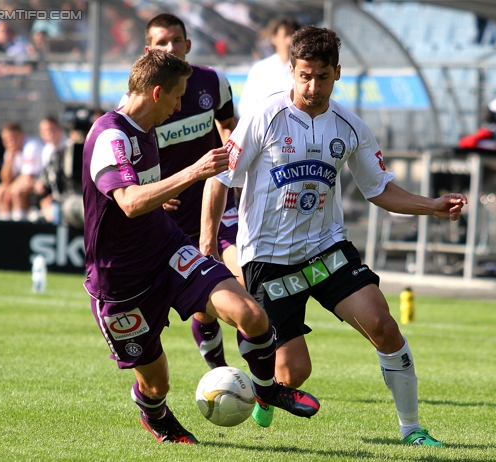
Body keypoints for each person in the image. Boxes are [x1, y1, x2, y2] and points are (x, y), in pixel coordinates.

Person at [200, 26, 467, 446]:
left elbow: (378, 188)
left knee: (383, 325)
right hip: (268, 257)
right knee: (293, 372)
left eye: (322, 76)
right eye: (304, 75)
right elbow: (219, 178)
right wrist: (208, 245)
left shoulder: (351, 126)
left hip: (327, 248)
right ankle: (267, 391)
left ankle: (413, 430)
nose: (312, 85)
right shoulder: (262, 117)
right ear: (292, 71)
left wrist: (431, 205)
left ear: (337, 73)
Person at [82, 49, 320, 444]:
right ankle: (155, 414)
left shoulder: (144, 125)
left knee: (251, 314)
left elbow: (142, 196)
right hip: (120, 281)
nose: (180, 105)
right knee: (157, 383)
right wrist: (194, 171)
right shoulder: (111, 136)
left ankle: (266, 388)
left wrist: (160, 195)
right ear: (157, 93)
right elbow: (128, 201)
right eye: (177, 97)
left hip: (167, 249)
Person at [120, 13, 242, 370]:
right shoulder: (136, 102)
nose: (171, 47)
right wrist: (150, 189)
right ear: (148, 52)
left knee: (240, 281)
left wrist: (233, 175)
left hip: (218, 204)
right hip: (170, 216)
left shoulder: (213, 82)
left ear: (188, 45)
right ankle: (219, 371)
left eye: (177, 41)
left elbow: (228, 129)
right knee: (203, 304)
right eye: (162, 42)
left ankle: (260, 379)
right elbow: (128, 155)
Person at [237, 16, 301, 119]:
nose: (289, 41)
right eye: (285, 36)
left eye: (293, 36)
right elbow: (245, 105)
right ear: (274, 38)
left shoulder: (306, 70)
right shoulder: (260, 69)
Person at [0, 122, 44, 221]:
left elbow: (28, 177)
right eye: (6, 140)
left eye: (13, 138)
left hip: (38, 181)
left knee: (16, 192)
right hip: (24, 181)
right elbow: (5, 179)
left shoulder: (32, 146)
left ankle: (20, 224)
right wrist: (9, 160)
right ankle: (5, 224)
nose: (10, 142)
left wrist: (9, 190)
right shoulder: (10, 152)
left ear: (22, 136)